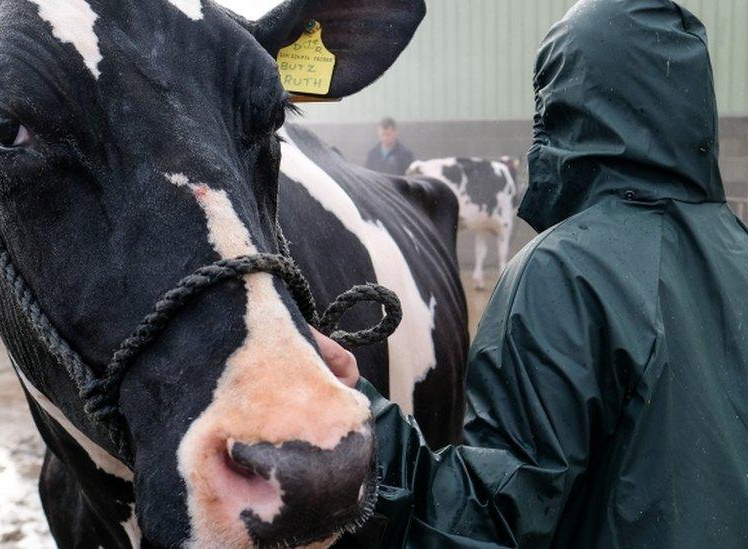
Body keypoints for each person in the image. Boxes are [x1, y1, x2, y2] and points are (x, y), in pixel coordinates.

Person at [319, 1, 748, 547]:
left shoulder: (564, 273)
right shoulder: (739, 249)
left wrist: (363, 412)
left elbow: (489, 523)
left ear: (565, 105)